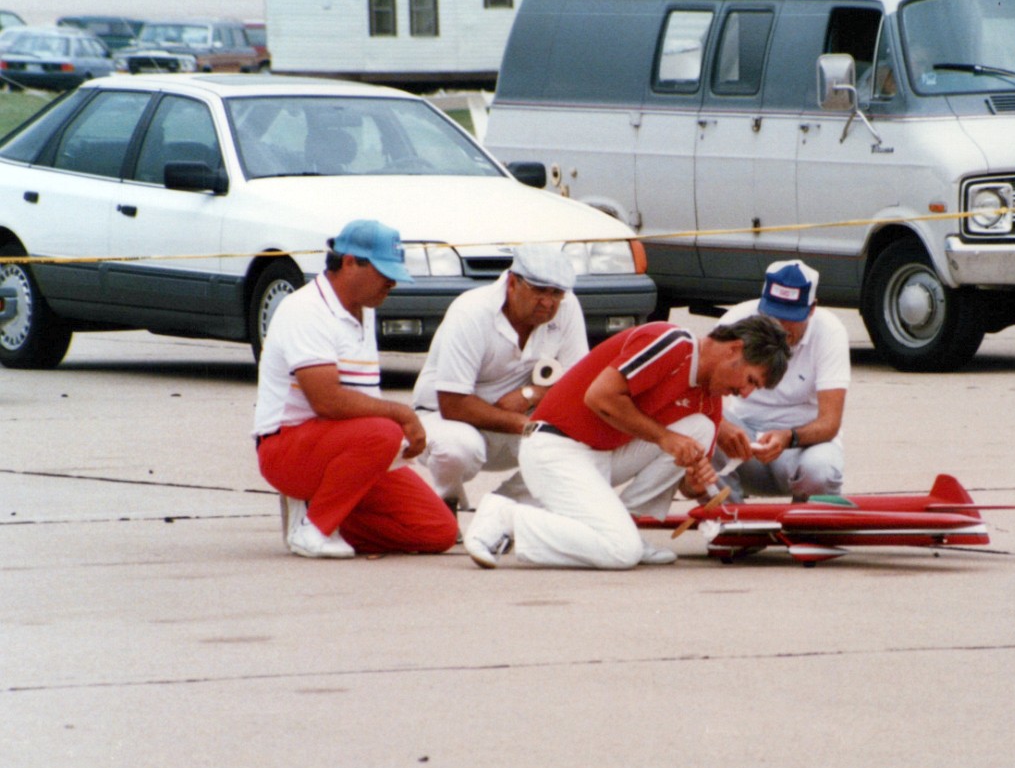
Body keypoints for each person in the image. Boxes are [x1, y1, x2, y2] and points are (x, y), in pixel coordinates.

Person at [462, 316, 790, 570]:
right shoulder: (672, 342)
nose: (745, 394)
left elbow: (689, 491)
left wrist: (695, 477)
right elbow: (600, 396)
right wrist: (666, 438)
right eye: (750, 380)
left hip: (600, 455)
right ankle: (506, 517)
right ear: (734, 349)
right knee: (621, 552)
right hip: (555, 445)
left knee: (704, 428)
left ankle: (627, 524)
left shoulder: (710, 402)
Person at [252, 219, 457, 559]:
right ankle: (315, 529)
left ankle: (322, 516)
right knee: (383, 431)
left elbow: (362, 402)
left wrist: (386, 451)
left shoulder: (364, 308)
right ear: (349, 263)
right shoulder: (306, 309)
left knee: (438, 531)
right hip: (286, 449)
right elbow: (326, 402)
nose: (391, 282)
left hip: (342, 447)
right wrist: (402, 416)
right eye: (383, 272)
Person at [411, 242, 588, 512]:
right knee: (456, 450)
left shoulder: (568, 306)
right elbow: (453, 404)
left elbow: (579, 384)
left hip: (519, 421)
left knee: (582, 443)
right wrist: (525, 425)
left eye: (556, 293)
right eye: (539, 290)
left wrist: (532, 394)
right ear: (512, 283)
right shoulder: (470, 312)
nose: (548, 302)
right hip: (445, 419)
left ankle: (503, 507)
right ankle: (447, 501)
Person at [714, 260, 849, 500]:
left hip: (800, 448)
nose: (779, 326)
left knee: (821, 470)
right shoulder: (736, 320)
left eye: (790, 317)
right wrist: (724, 429)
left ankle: (807, 529)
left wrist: (789, 437)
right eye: (773, 315)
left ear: (811, 308)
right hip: (743, 441)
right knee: (703, 427)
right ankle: (728, 524)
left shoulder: (830, 332)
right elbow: (700, 387)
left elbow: (830, 422)